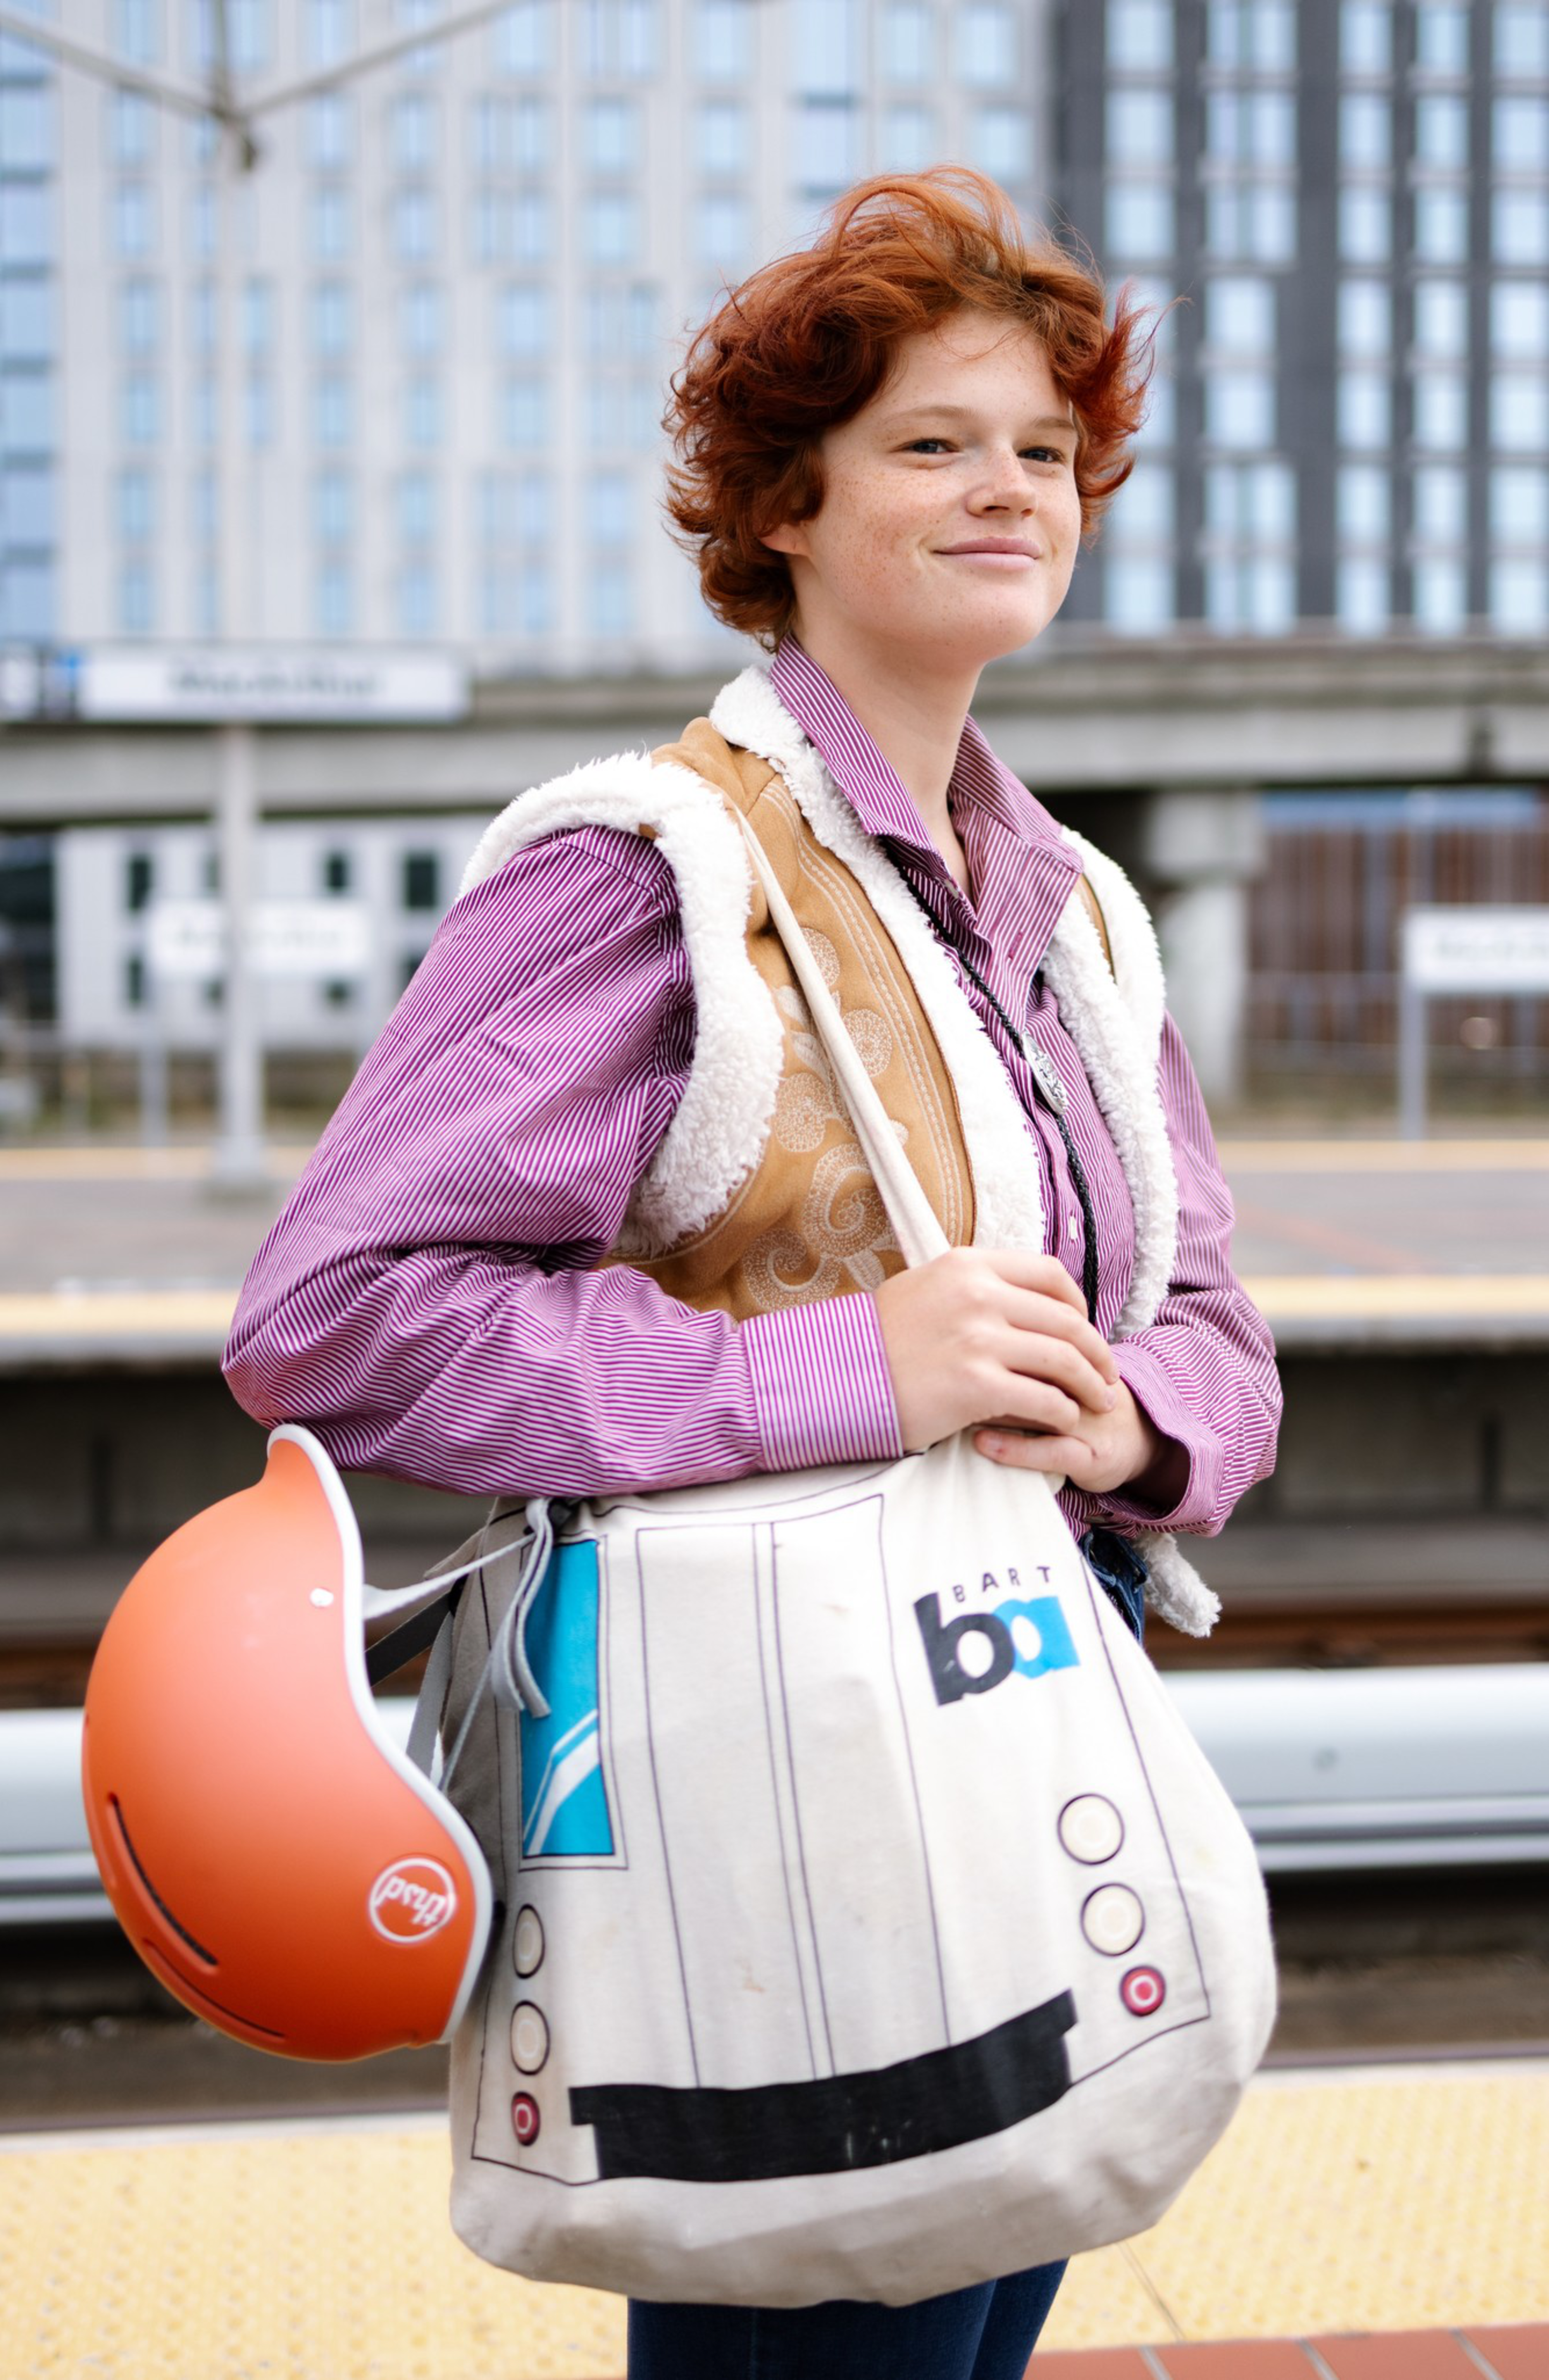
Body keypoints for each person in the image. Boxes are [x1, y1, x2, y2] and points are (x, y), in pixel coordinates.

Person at [224, 167, 1281, 2380]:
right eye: (931, 442)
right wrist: (846, 1367)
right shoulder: (652, 868)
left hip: (1021, 1768)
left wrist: (1142, 1416)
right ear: (787, 508)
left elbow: (1220, 1328)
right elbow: (328, 1315)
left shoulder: (1072, 909)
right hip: (766, 1803)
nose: (1012, 485)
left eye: (1043, 448)